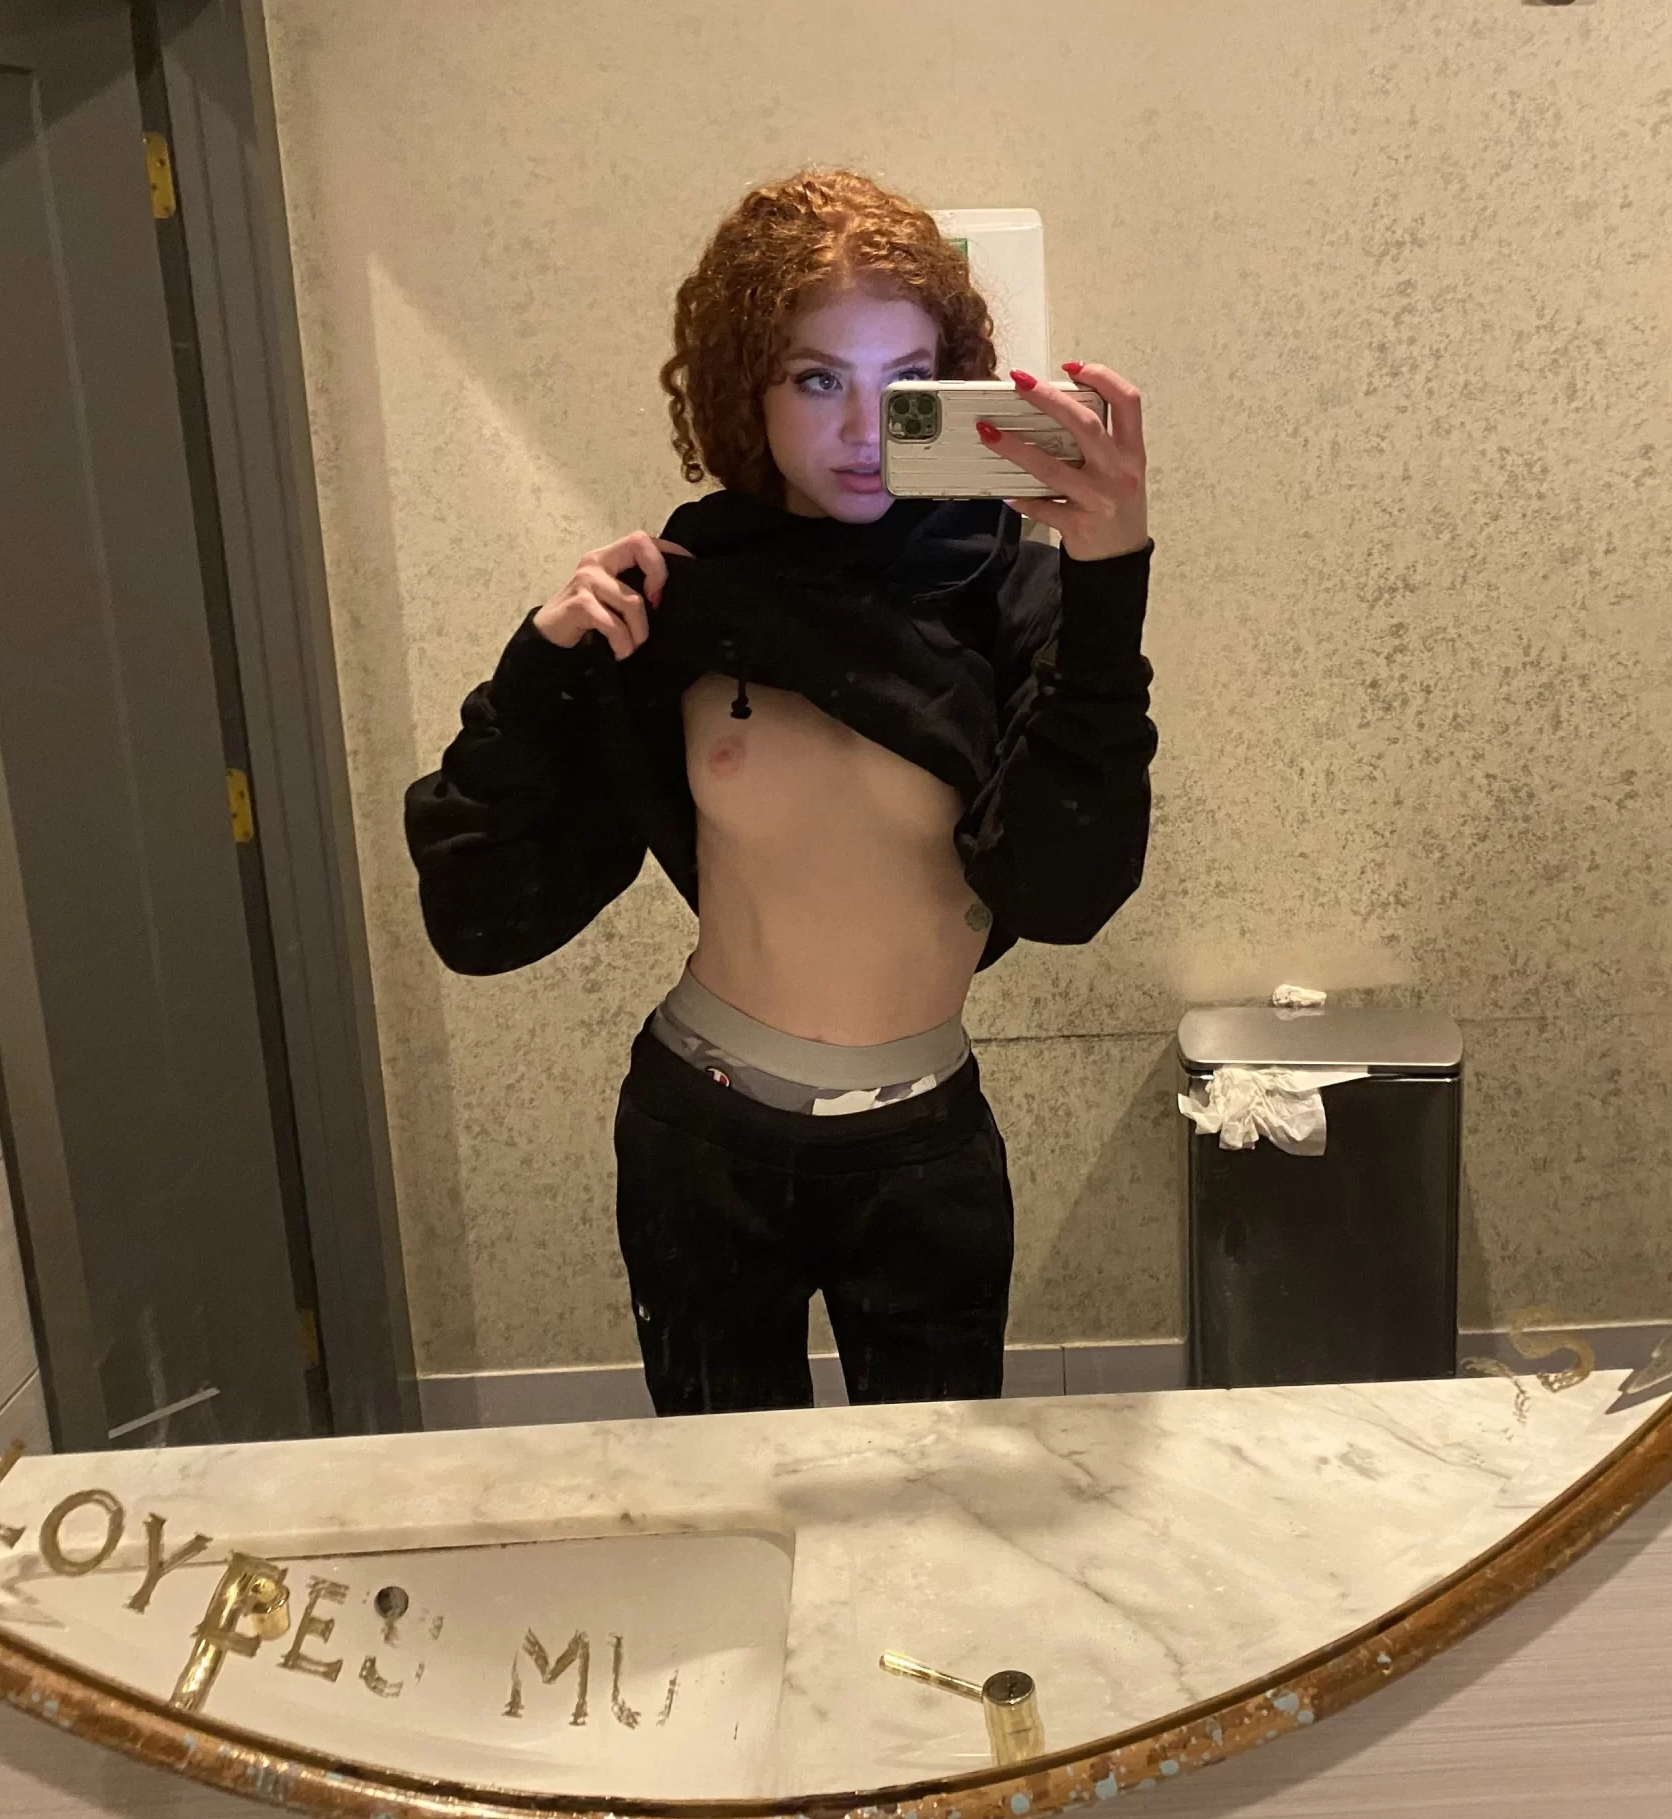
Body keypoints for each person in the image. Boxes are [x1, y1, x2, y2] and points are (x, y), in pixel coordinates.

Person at [404, 167, 1156, 1417]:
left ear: (955, 385)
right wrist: (538, 669)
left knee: (936, 1502)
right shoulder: (682, 599)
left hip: (923, 1145)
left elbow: (1067, 890)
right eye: (817, 380)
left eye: (905, 384)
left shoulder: (1007, 596)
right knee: (726, 1502)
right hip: (701, 1137)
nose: (864, 429)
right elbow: (479, 920)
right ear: (743, 390)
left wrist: (1109, 577)